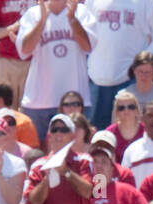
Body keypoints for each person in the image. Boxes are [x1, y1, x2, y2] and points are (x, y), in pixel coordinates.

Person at [16, 0, 96, 136]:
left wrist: (72, 19)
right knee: (38, 154)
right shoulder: (33, 14)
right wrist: (42, 21)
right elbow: (24, 50)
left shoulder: (81, 11)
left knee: (75, 151)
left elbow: (87, 46)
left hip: (74, 101)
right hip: (39, 102)